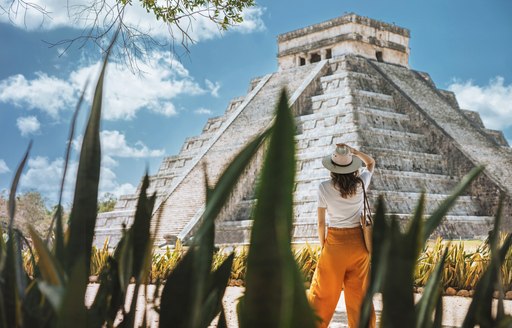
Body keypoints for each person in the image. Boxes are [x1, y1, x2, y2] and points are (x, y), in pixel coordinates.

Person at [307, 143, 376, 328]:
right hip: (358, 246)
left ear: (332, 168)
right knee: (360, 296)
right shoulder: (361, 183)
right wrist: (355, 152)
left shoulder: (324, 187)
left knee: (322, 295)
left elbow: (321, 223)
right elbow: (370, 163)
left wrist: (324, 246)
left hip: (334, 246)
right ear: (352, 167)